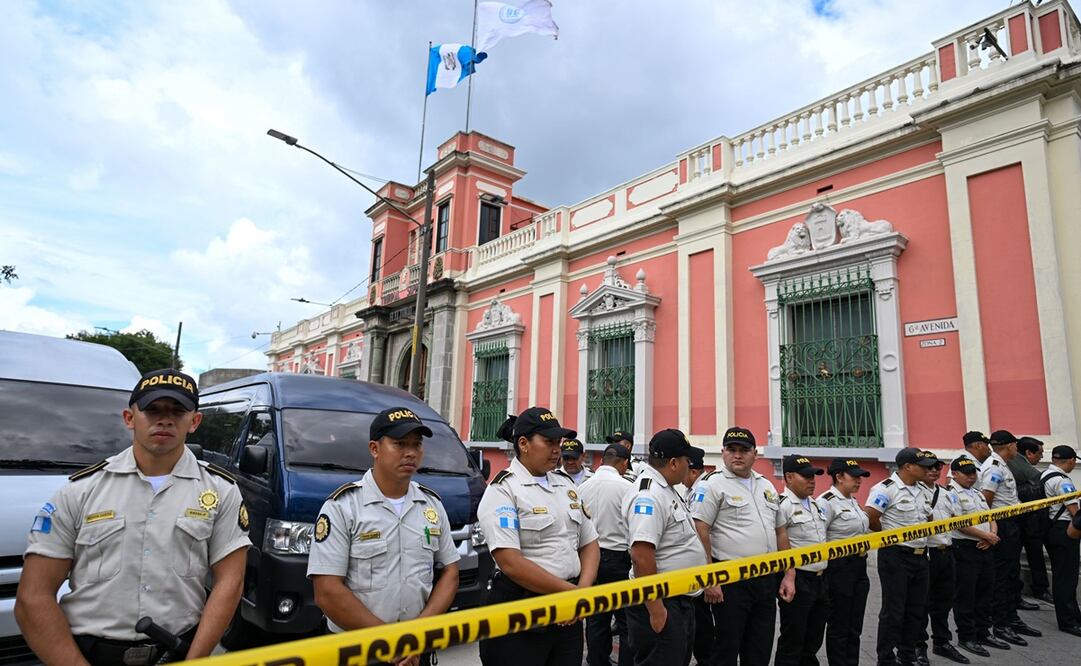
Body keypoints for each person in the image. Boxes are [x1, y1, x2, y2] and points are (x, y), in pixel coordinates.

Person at [15, 369, 250, 665]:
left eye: (178, 410)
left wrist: (195, 660)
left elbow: (230, 582)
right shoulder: (81, 491)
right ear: (129, 418)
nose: (165, 419)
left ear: (195, 421)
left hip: (179, 653)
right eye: (152, 410)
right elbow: (33, 596)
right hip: (87, 655)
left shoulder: (221, 491)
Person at [306, 406, 460, 666]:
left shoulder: (431, 505)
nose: (411, 453)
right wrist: (389, 640)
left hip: (414, 650)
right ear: (374, 449)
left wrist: (418, 634)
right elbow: (327, 591)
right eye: (400, 444)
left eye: (417, 444)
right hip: (357, 650)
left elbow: (451, 573)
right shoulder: (343, 507)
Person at [477, 407, 600, 666]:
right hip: (522, 611)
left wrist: (582, 592)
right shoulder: (503, 490)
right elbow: (510, 561)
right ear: (523, 444)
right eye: (548, 442)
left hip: (570, 612)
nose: (557, 449)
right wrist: (569, 593)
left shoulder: (566, 486)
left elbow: (589, 543)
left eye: (559, 442)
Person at [691, 427, 795, 666]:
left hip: (765, 578)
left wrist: (789, 574)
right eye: (732, 450)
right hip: (730, 579)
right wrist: (710, 578)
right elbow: (700, 530)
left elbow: (780, 531)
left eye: (744, 450)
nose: (737, 455)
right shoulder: (711, 484)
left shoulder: (766, 485)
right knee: (726, 649)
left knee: (759, 648)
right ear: (723, 452)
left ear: (754, 454)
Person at [623, 429, 709, 666]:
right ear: (673, 463)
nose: (688, 466)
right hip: (661, 601)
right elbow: (641, 556)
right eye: (686, 461)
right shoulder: (649, 495)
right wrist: (656, 610)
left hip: (678, 600)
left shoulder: (666, 489)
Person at [864, 447, 937, 666]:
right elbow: (871, 516)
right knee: (894, 611)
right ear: (907, 467)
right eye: (922, 466)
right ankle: (885, 658)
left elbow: (928, 517)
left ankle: (907, 654)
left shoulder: (923, 490)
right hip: (896, 555)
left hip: (920, 555)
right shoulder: (886, 489)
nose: (928, 470)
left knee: (916, 609)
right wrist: (889, 537)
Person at [980, 430, 1041, 645]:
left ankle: (1011, 618)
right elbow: (986, 501)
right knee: (1002, 576)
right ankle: (1001, 623)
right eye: (1016, 445)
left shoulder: (1001, 465)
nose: (1017, 449)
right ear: (1011, 445)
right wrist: (991, 529)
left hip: (1011, 524)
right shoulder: (994, 468)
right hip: (1002, 526)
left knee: (1010, 574)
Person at [578, 444, 634, 666]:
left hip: (590, 559)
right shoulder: (627, 487)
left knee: (597, 619)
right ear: (624, 463)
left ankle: (597, 661)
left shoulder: (583, 487)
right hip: (619, 559)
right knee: (626, 620)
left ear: (602, 461)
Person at [774, 455, 828, 666]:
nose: (812, 480)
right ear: (788, 477)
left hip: (820, 578)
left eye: (813, 476)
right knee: (793, 639)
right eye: (805, 476)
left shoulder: (815, 504)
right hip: (798, 578)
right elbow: (779, 541)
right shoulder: (783, 505)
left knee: (813, 639)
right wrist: (788, 575)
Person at [947, 457, 1004, 657]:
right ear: (954, 474)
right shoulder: (951, 493)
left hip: (985, 545)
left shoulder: (977, 493)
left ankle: (983, 631)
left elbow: (990, 516)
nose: (972, 477)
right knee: (966, 594)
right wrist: (985, 535)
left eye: (974, 473)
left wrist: (991, 536)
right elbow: (956, 521)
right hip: (965, 548)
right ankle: (966, 636)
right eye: (967, 473)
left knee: (985, 591)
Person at [916, 452, 969, 664]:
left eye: (937, 467)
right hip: (926, 554)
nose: (934, 471)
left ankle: (942, 642)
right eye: (929, 467)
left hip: (946, 552)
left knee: (944, 601)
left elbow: (958, 519)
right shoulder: (915, 493)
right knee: (920, 605)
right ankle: (918, 646)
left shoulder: (947, 493)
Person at [818, 458, 871, 666]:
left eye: (860, 477)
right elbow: (820, 536)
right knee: (839, 624)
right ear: (839, 477)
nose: (859, 481)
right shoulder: (827, 501)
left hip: (859, 566)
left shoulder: (852, 501)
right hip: (839, 568)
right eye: (854, 477)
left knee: (854, 624)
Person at [1041, 445, 1081, 636]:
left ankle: (1073, 614)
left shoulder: (1045, 475)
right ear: (1071, 460)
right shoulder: (1063, 481)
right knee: (1067, 577)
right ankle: (1068, 620)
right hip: (1066, 530)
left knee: (1061, 575)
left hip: (1052, 529)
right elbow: (1074, 511)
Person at [681, 446, 713, 666]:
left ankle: (705, 658)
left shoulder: (701, 489)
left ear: (692, 470)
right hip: (698, 566)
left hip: (703, 566)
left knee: (701, 620)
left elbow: (699, 530)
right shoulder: (693, 488)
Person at [1011, 436, 1051, 605]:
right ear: (1028, 452)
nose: (1041, 457)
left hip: (1028, 519)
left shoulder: (1017, 463)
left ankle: (1038, 588)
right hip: (1021, 520)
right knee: (1024, 557)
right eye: (1039, 453)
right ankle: (1035, 590)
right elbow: (1039, 486)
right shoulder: (1020, 465)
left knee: (1033, 555)